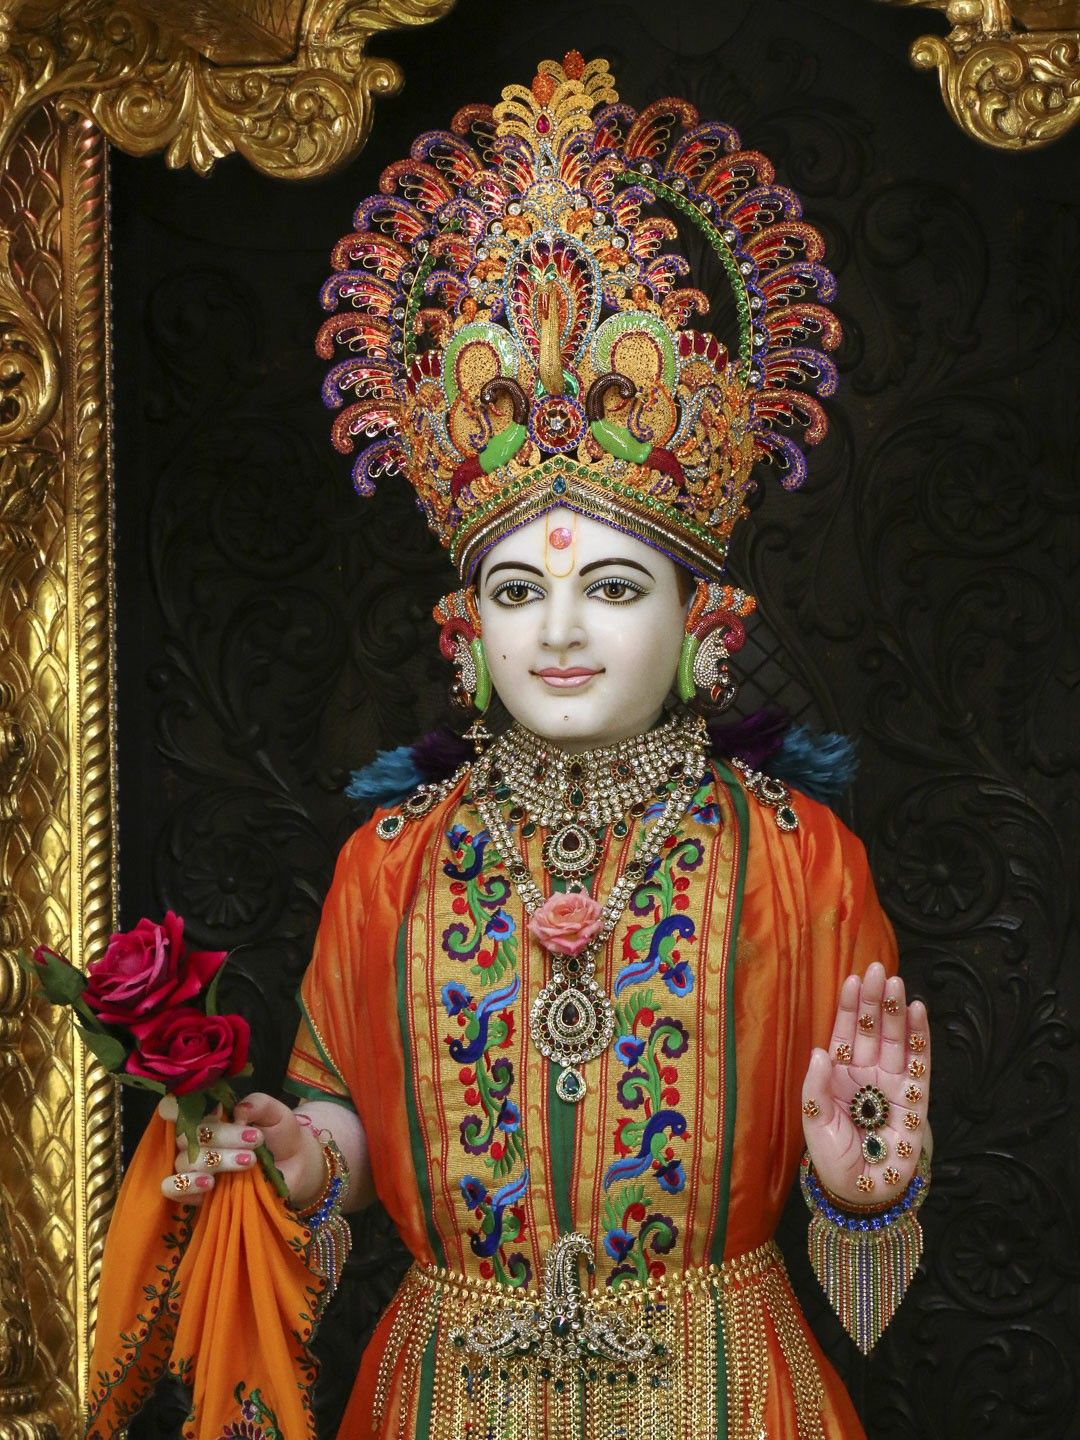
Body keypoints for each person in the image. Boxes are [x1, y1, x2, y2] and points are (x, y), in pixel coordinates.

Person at [94, 51, 932, 1440]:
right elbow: (345, 1124)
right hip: (446, 1399)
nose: (560, 630)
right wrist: (295, 1161)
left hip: (726, 1391)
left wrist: (860, 1180)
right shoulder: (393, 858)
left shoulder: (797, 858)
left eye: (612, 588)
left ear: (703, 619)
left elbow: (867, 1184)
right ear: (462, 628)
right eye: (516, 589)